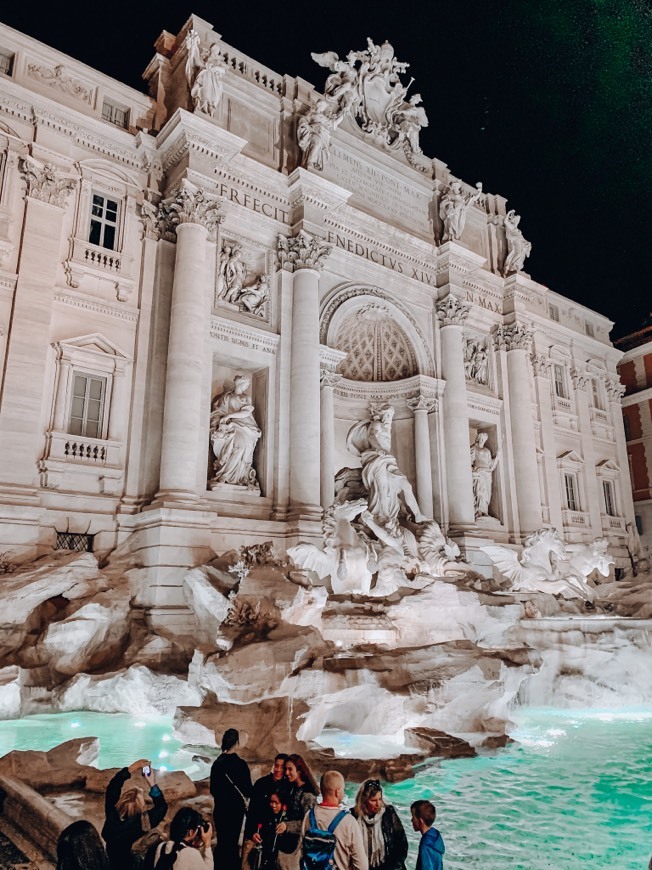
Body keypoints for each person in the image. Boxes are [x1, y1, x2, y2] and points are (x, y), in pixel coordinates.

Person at [346, 404, 427, 537]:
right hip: (377, 460)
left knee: (406, 485)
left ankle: (418, 515)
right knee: (381, 489)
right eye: (388, 414)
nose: (389, 417)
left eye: (391, 414)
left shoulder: (387, 426)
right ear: (382, 414)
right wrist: (379, 449)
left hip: (388, 460)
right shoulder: (376, 424)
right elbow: (371, 436)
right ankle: (380, 518)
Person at [102, 758, 167, 869]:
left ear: (122, 801)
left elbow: (113, 787)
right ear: (141, 806)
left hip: (112, 862)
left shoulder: (112, 816)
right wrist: (151, 782)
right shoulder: (144, 823)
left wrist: (131, 768)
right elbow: (162, 807)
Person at [300, 771, 368, 870]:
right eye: (343, 789)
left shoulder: (309, 816)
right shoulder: (348, 821)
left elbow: (302, 851)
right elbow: (362, 866)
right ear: (337, 791)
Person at [210, 728, 252, 870]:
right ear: (237, 743)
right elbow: (248, 790)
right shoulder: (241, 764)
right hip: (235, 811)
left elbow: (213, 790)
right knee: (232, 843)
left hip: (221, 810)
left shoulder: (217, 764)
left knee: (222, 842)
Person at [210, 375, 261, 487]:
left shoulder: (246, 398)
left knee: (243, 448)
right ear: (240, 383)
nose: (247, 386)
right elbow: (219, 411)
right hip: (231, 426)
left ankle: (239, 477)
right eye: (246, 384)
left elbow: (246, 413)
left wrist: (229, 416)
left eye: (248, 385)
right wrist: (221, 421)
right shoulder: (226, 396)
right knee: (237, 447)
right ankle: (225, 475)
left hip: (245, 427)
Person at [242, 753, 289, 870]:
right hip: (255, 834)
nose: (278, 769)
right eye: (276, 765)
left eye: (282, 767)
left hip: (273, 839)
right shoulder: (261, 784)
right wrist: (252, 832)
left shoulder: (288, 788)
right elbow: (251, 812)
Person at [350, 779, 407, 870]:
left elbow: (402, 844)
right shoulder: (353, 816)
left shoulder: (388, 813)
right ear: (364, 801)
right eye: (373, 800)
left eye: (380, 799)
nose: (378, 804)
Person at [277, 754, 319, 870]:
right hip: (287, 844)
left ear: (299, 771)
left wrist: (287, 826)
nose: (286, 772)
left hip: (297, 850)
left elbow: (309, 824)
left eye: (290, 769)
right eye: (286, 769)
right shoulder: (291, 789)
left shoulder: (308, 795)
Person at [469, 432, 500, 518]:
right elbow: (469, 462)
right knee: (479, 491)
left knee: (487, 493)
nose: (483, 440)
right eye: (481, 438)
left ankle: (484, 510)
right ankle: (478, 511)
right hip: (479, 473)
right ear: (478, 438)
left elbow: (490, 465)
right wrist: (473, 470)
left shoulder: (487, 451)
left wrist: (497, 457)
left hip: (487, 474)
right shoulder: (473, 448)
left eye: (484, 439)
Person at [410, 801, 444, 870]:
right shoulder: (436, 836)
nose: (411, 820)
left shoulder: (425, 845)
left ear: (420, 821)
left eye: (413, 816)